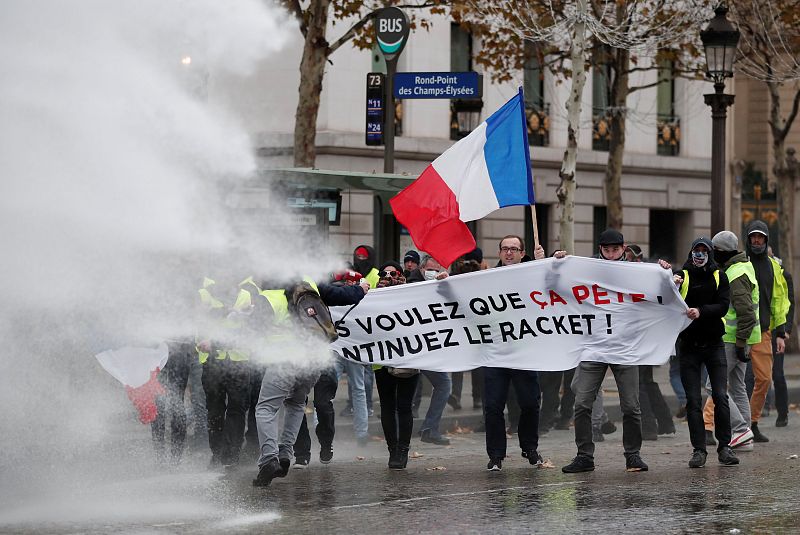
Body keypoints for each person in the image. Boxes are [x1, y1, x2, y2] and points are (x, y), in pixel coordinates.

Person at [563, 228, 670, 474]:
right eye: (606, 250)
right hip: (594, 349)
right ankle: (584, 455)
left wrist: (665, 271)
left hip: (625, 349)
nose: (611, 255)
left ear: (624, 249)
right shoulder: (586, 270)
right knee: (581, 403)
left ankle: (633, 455)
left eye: (615, 250)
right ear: (600, 249)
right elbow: (555, 283)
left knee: (631, 406)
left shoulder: (637, 272)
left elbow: (662, 291)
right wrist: (557, 261)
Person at [252, 280, 339, 487]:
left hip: (285, 360)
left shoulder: (269, 298)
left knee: (265, 408)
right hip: (312, 362)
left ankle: (269, 460)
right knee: (296, 404)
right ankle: (285, 453)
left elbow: (255, 330)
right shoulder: (308, 287)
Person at [484, 235, 550, 471]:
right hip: (496, 353)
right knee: (493, 406)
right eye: (505, 249)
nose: (509, 253)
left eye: (514, 249)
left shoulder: (533, 273)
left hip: (524, 352)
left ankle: (529, 448)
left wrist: (545, 263)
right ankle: (495, 455)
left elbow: (552, 287)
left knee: (530, 403)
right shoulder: (487, 278)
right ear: (499, 253)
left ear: (523, 253)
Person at [675, 238, 738, 467]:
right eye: (696, 250)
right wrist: (671, 281)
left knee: (720, 396)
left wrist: (700, 311)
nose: (699, 255)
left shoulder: (719, 275)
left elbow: (723, 305)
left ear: (710, 254)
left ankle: (725, 447)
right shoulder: (682, 275)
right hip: (689, 346)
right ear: (691, 252)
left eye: (704, 251)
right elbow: (666, 297)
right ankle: (699, 450)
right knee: (693, 400)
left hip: (714, 345)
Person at [293, 278, 369, 467]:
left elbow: (338, 294)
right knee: (296, 405)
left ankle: (326, 444)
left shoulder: (311, 282)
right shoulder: (279, 287)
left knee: (323, 404)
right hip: (294, 357)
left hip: (321, 355)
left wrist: (359, 290)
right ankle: (301, 453)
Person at [702, 231, 760, 452]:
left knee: (714, 386)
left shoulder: (735, 274)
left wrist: (739, 343)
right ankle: (744, 436)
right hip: (743, 338)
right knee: (737, 387)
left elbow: (746, 313)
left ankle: (741, 429)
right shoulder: (744, 266)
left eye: (714, 251)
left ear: (721, 251)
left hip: (733, 339)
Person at [197, 275, 259, 469]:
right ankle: (217, 453)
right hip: (213, 363)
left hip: (239, 362)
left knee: (237, 409)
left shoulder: (246, 296)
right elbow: (198, 324)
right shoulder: (204, 295)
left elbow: (249, 332)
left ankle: (232, 455)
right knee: (214, 411)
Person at [743, 220, 790, 443]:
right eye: (753, 237)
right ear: (748, 239)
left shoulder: (774, 267)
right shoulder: (740, 262)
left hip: (763, 332)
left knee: (763, 379)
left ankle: (751, 423)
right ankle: (708, 425)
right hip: (737, 333)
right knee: (722, 381)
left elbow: (779, 302)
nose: (756, 241)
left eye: (760, 237)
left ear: (766, 239)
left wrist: (780, 333)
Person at [371, 265, 420, 469]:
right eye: (384, 274)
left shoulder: (411, 294)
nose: (388, 276)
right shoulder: (371, 297)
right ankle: (393, 450)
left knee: (404, 406)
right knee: (388, 407)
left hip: (407, 358)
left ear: (401, 276)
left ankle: (403, 449)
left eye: (394, 273)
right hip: (381, 360)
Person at [627, 243, 675, 440]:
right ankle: (664, 422)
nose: (627, 260)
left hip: (641, 337)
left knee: (640, 382)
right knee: (646, 380)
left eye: (630, 257)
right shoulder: (643, 275)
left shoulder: (645, 276)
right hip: (644, 336)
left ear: (638, 259)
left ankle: (648, 426)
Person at [768, 249, 794, 427]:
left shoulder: (784, 274)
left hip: (777, 330)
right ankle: (756, 410)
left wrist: (785, 331)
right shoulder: (751, 270)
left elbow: (789, 304)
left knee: (777, 373)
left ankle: (782, 412)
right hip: (758, 331)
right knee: (753, 376)